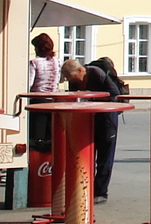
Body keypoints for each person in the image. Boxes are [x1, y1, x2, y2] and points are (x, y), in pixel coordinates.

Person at [61, 55, 125, 200]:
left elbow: (114, 95)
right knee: (86, 154)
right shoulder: (74, 82)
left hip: (107, 118)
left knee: (105, 156)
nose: (70, 80)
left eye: (70, 76)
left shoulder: (97, 74)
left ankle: (101, 191)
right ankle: (85, 188)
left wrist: (92, 98)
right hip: (87, 119)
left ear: (80, 70)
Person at [26, 33, 60, 155]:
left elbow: (29, 83)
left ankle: (36, 165)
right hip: (53, 101)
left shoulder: (34, 62)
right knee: (49, 136)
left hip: (38, 101)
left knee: (37, 138)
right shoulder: (57, 62)